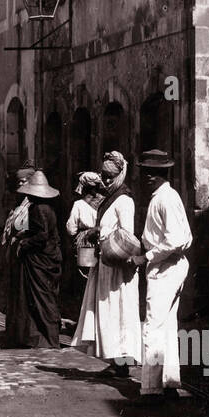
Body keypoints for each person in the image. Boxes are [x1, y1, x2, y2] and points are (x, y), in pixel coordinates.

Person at [130, 150, 192, 405]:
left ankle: (151, 389)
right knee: (166, 326)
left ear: (155, 176)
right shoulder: (165, 197)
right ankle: (168, 380)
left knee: (153, 327)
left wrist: (148, 256)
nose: (145, 176)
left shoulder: (164, 199)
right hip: (168, 266)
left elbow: (177, 239)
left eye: (148, 172)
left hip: (165, 267)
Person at [87, 151, 141, 375]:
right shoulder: (111, 198)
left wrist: (101, 230)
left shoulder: (124, 200)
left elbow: (127, 235)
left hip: (119, 266)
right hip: (108, 263)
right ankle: (115, 360)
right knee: (110, 311)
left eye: (111, 175)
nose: (107, 179)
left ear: (121, 174)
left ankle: (123, 362)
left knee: (120, 310)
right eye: (104, 175)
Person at [6, 170, 62, 348]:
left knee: (42, 299)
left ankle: (48, 338)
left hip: (41, 259)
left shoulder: (39, 208)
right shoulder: (46, 207)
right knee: (42, 298)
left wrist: (24, 243)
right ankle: (40, 337)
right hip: (46, 257)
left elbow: (42, 235)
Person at [68, 171, 106, 352]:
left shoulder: (79, 205)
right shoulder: (105, 202)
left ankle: (82, 324)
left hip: (85, 246)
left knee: (84, 282)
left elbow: (70, 228)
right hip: (102, 244)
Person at [0, 165, 36, 319]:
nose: (21, 185)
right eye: (19, 182)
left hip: (23, 251)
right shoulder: (19, 203)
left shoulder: (31, 204)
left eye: (24, 181)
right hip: (12, 250)